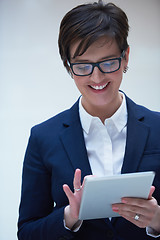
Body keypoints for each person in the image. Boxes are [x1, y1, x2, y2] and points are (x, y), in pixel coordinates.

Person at [17, 1, 160, 239]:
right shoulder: (44, 137)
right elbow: (27, 232)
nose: (97, 77)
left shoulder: (158, 128)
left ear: (125, 57)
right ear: (68, 66)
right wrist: (69, 216)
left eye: (108, 62)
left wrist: (157, 219)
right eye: (83, 66)